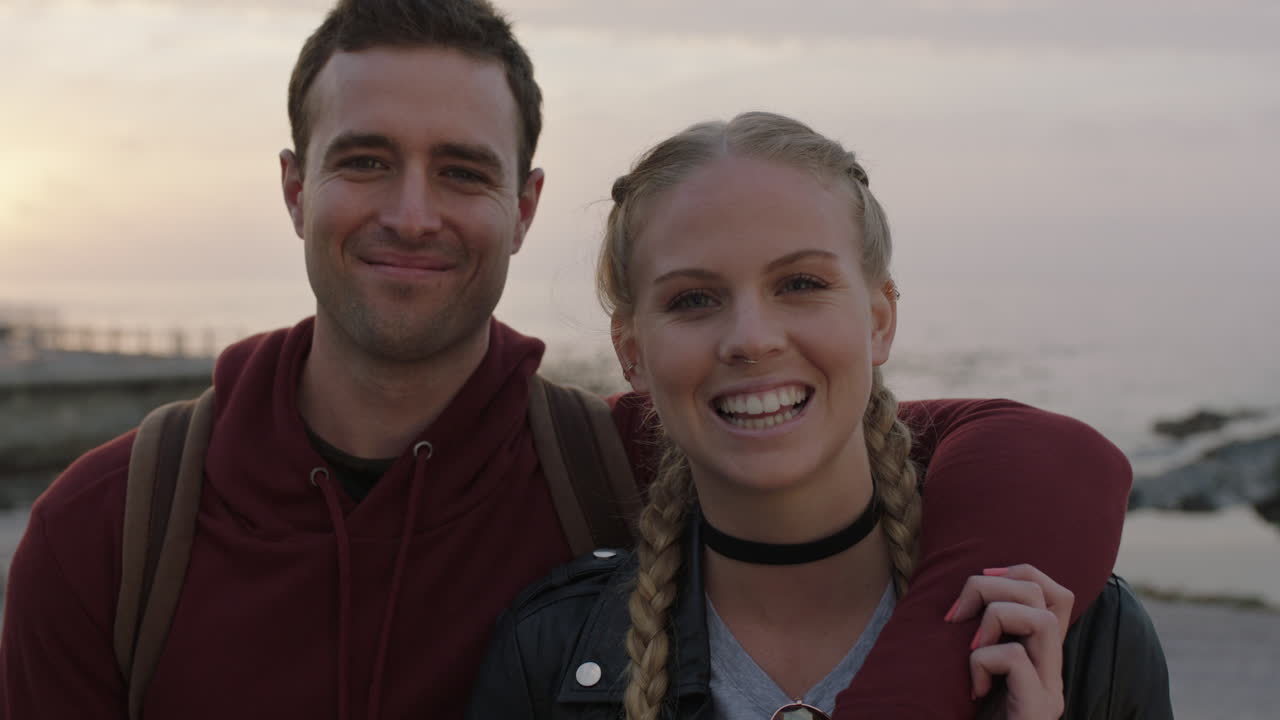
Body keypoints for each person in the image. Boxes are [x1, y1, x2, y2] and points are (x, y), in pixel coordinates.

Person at [0, 2, 1133, 719]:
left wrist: (910, 687)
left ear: (526, 205)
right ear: (295, 186)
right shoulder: (113, 530)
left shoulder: (620, 457)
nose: (411, 212)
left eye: (461, 170)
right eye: (364, 162)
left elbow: (1041, 458)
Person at [466, 111, 1172, 719]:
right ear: (632, 353)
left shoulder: (1075, 636)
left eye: (800, 284)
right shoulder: (547, 654)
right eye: (693, 299)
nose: (751, 338)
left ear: (879, 320)